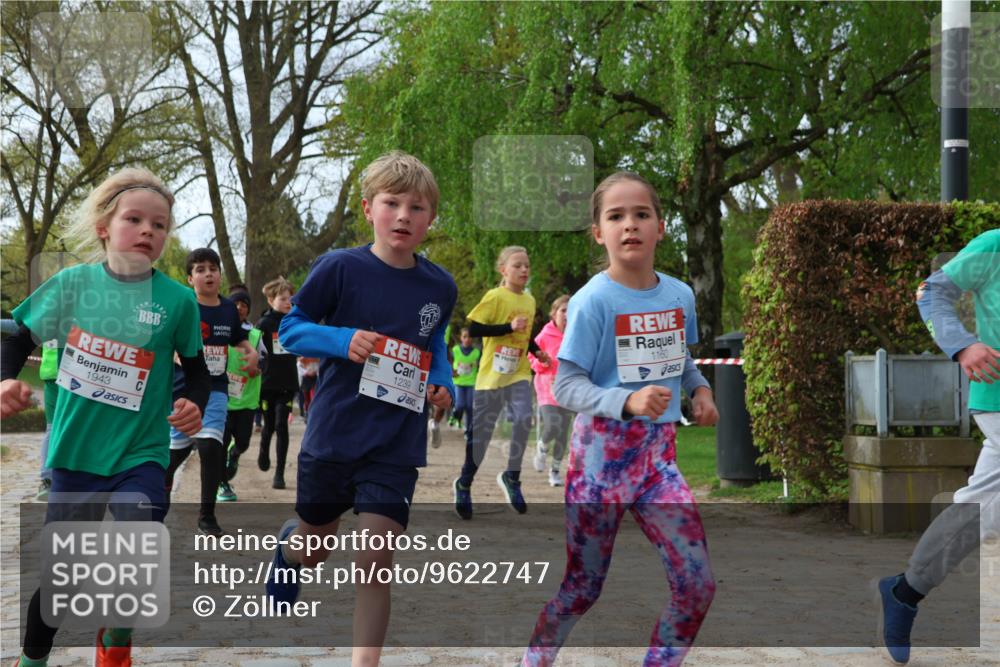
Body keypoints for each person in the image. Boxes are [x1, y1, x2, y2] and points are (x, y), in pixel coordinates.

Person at [0, 167, 210, 667]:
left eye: (159, 225)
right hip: (76, 455)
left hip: (141, 451)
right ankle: (32, 658)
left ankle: (116, 638)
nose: (147, 231)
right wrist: (6, 379)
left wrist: (193, 401)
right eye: (134, 219)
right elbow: (18, 336)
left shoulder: (177, 301)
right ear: (103, 226)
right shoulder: (73, 285)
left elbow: (198, 371)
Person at [264, 151, 456, 667]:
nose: (403, 216)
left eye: (417, 207)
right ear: (369, 208)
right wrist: (341, 338)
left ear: (430, 218)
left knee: (374, 558)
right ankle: (289, 550)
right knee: (317, 545)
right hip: (335, 433)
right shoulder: (340, 268)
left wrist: (442, 383)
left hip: (396, 439)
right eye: (392, 204)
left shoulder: (440, 285)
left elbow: (434, 343)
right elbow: (290, 329)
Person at [521, 172, 720, 667]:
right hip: (597, 469)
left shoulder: (678, 296)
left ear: (660, 227)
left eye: (641, 214)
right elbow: (566, 385)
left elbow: (681, 357)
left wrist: (699, 388)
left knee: (697, 585)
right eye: (616, 217)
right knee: (582, 589)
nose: (629, 225)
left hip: (658, 466)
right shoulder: (593, 301)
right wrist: (626, 402)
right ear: (599, 233)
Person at [879, 228, 1000, 665]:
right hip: (999, 398)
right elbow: (929, 294)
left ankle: (904, 592)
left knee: (979, 513)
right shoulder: (994, 246)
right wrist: (963, 344)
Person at [164, 248, 258, 536]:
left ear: (219, 274)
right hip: (181, 391)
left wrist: (250, 352)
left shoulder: (229, 308)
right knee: (172, 457)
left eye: (212, 268)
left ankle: (207, 516)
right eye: (200, 269)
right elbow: (161, 341)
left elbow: (238, 337)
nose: (208, 274)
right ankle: (157, 505)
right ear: (190, 278)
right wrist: (174, 355)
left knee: (210, 446)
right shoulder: (182, 304)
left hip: (216, 389)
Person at [453, 246, 550, 519]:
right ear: (503, 270)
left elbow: (524, 334)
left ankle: (512, 477)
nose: (524, 270)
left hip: (518, 373)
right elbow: (472, 328)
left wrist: (535, 350)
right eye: (517, 265)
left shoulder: (529, 301)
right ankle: (464, 483)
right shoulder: (495, 296)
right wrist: (507, 328)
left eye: (527, 265)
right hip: (491, 377)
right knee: (480, 439)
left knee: (523, 418)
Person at [218, 287, 266, 502]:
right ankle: (223, 484)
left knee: (244, 441)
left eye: (244, 305)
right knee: (220, 442)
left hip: (246, 399)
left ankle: (235, 454)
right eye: (236, 304)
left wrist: (258, 368)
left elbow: (266, 360)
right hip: (222, 398)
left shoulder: (255, 335)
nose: (240, 308)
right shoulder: (219, 330)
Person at [256, 276, 298, 489]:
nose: (287, 302)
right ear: (271, 300)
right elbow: (255, 352)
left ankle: (279, 474)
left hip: (288, 382)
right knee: (269, 424)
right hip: (268, 383)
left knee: (282, 425)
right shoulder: (264, 324)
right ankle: (264, 450)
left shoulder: (295, 322)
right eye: (282, 298)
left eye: (290, 298)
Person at [529, 295, 572, 487]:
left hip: (567, 388)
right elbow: (531, 358)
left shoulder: (576, 335)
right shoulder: (544, 335)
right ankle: (542, 446)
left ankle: (554, 471)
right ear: (553, 314)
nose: (567, 314)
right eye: (563, 310)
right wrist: (542, 361)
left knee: (563, 433)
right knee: (553, 424)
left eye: (570, 310)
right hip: (547, 387)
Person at [35, 339, 58, 499]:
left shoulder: (48, 314)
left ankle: (47, 480)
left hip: (51, 372)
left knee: (52, 427)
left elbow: (22, 325)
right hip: (78, 373)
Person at [451, 326, 479, 442]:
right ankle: (455, 416)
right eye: (465, 337)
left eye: (469, 337)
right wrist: (452, 372)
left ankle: (469, 432)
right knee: (460, 405)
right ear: (461, 338)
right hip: (458, 383)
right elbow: (450, 362)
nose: (467, 339)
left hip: (471, 383)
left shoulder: (477, 352)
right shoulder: (455, 350)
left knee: (469, 408)